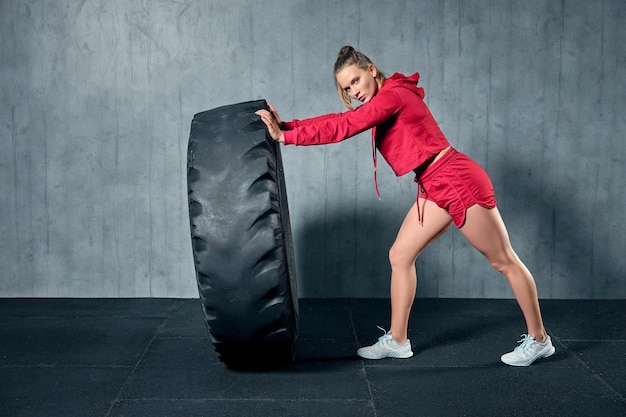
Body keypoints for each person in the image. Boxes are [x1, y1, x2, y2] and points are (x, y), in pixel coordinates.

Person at [255, 45, 555, 366]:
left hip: (456, 180)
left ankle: (540, 340)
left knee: (504, 261)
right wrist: (287, 127)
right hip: (433, 184)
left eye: (356, 81)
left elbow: (349, 125)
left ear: (371, 70)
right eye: (347, 88)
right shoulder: (386, 96)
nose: (354, 92)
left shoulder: (393, 96)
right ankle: (398, 340)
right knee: (400, 255)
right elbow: (344, 118)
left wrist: (287, 138)